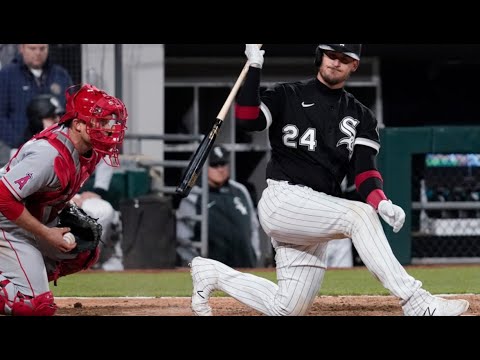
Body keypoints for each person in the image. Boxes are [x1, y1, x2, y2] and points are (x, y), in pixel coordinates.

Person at [189, 44, 470, 316]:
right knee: (358, 215)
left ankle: (211, 273)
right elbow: (249, 118)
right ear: (320, 56)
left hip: (317, 213)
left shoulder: (361, 115)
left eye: (344, 58)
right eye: (331, 55)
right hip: (283, 201)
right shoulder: (288, 94)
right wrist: (253, 68)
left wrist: (381, 202)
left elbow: (364, 172)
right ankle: (416, 302)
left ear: (354, 65)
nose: (335, 62)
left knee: (287, 308)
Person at [0, 83, 128, 316]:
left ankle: (19, 278)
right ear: (78, 125)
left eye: (109, 121)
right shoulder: (48, 154)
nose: (109, 128)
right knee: (35, 307)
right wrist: (45, 232)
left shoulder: (92, 148)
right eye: (100, 121)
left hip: (25, 218)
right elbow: (3, 197)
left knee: (83, 250)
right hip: (5, 222)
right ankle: (21, 287)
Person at [21, 93, 124, 272]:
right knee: (33, 298)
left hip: (58, 203)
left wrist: (96, 190)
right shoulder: (42, 148)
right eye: (50, 116)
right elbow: (10, 194)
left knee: (100, 215)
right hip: (18, 216)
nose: (56, 119)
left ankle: (106, 258)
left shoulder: (76, 140)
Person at [177, 145, 261, 268]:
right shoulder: (194, 195)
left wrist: (255, 254)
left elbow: (253, 227)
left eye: (223, 164)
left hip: (245, 267)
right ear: (202, 168)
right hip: (212, 271)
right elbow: (183, 237)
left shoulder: (240, 190)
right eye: (214, 165)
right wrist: (197, 266)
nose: (220, 169)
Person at [0, 44, 73, 166]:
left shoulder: (60, 75)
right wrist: (16, 143)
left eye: (42, 48)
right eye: (32, 48)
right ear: (22, 48)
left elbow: (71, 111)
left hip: (55, 152)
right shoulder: (6, 76)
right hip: (17, 153)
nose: (38, 53)